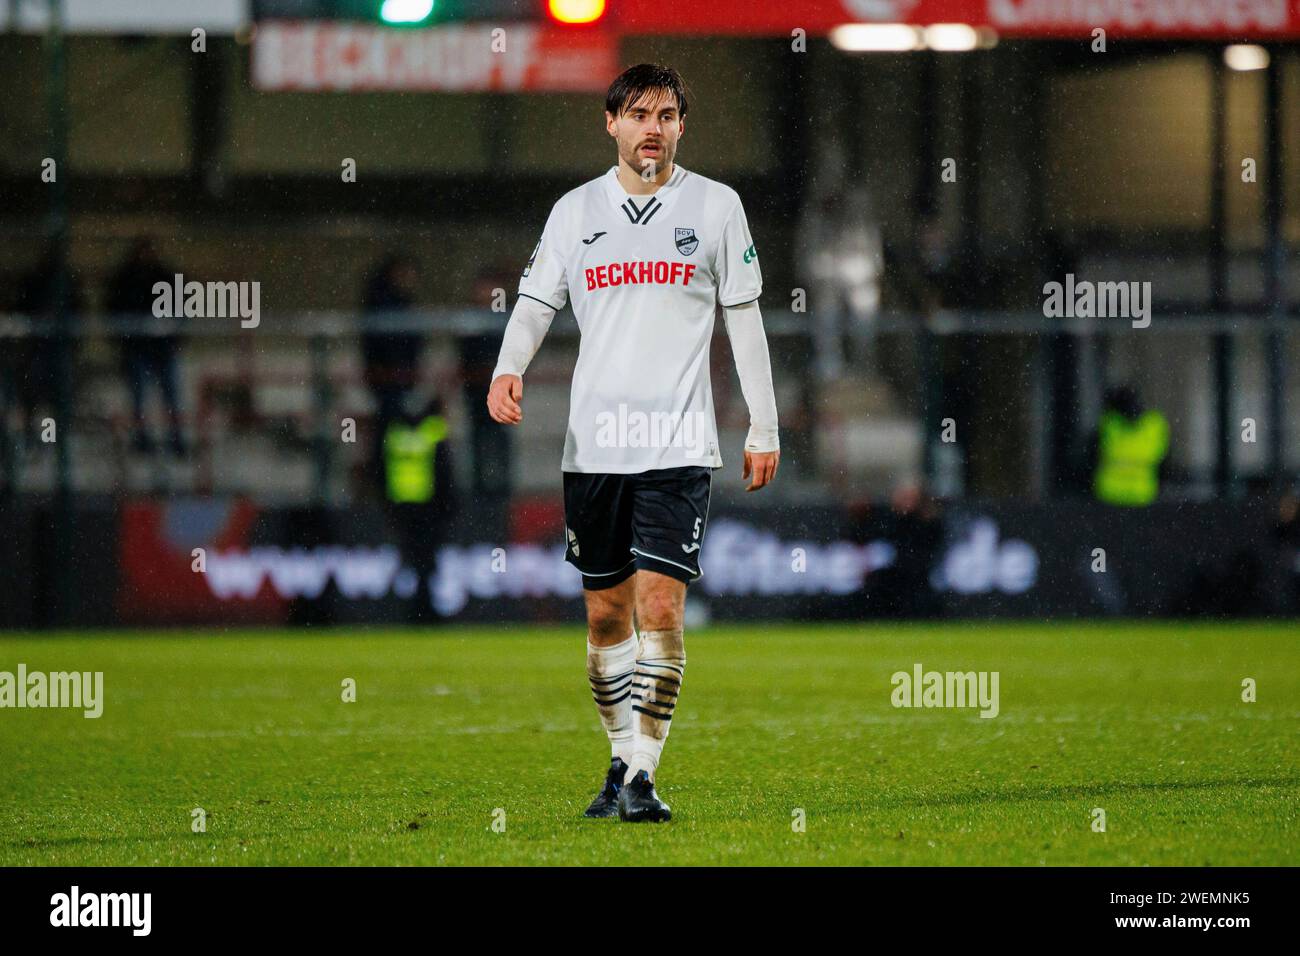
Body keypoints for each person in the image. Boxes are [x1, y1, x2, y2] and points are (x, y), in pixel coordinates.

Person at [487, 64, 780, 823]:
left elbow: (744, 319)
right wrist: (506, 368)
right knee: (606, 619)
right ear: (609, 121)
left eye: (668, 114)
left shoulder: (717, 208)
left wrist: (763, 423)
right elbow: (533, 302)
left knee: (661, 606)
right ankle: (621, 756)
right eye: (639, 113)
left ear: (683, 126)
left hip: (680, 442)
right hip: (596, 447)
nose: (653, 126)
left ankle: (645, 774)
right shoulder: (574, 211)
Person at [105, 238, 187, 456]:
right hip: (139, 349)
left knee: (170, 396)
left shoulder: (164, 277)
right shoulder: (126, 280)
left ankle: (175, 438)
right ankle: (143, 440)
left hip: (161, 348)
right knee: (140, 397)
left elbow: (184, 308)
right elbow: (114, 311)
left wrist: (173, 332)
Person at [360, 254, 422, 493]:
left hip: (394, 381)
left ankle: (386, 482)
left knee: (390, 432)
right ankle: (386, 483)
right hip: (389, 381)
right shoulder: (388, 305)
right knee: (390, 431)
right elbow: (388, 345)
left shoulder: (393, 304)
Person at [1090, 385, 1169, 506]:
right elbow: (1165, 462)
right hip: (1139, 493)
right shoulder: (1154, 424)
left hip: (1114, 494)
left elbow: (1092, 457)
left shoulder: (1109, 423)